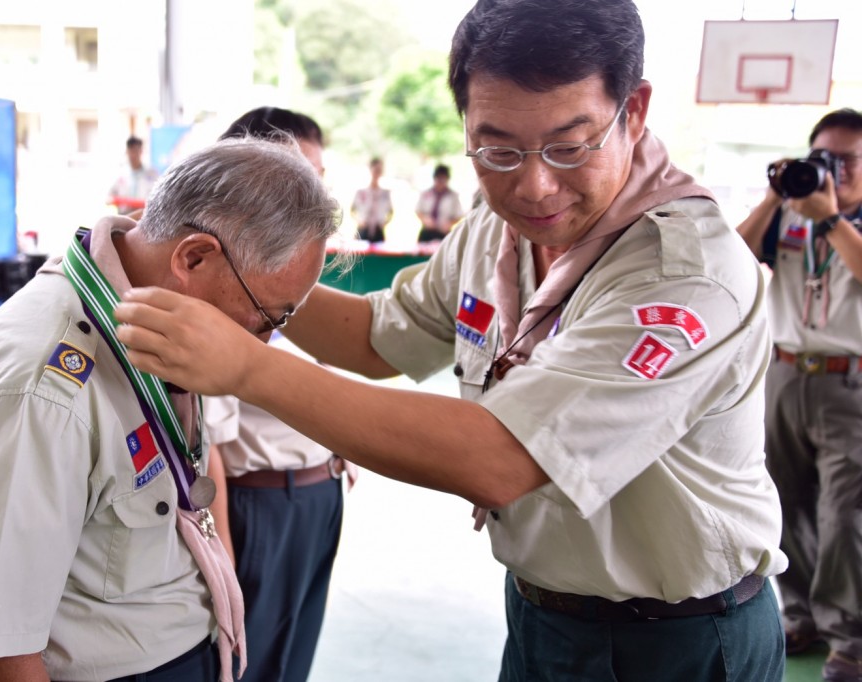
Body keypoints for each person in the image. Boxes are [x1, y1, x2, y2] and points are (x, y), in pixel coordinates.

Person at [114, 0, 788, 679]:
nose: (533, 184)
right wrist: (231, 274)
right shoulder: (497, 235)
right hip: (542, 610)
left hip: (681, 638)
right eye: (496, 149)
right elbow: (377, 339)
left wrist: (246, 365)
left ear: (633, 112)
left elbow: (499, 459)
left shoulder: (685, 273)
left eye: (569, 145)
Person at [0, 135, 341, 682]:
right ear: (193, 257)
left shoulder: (159, 318)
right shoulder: (42, 387)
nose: (263, 342)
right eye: (267, 316)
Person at [206, 105, 356, 682]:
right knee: (246, 657)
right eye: (295, 178)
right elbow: (210, 446)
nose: (311, 197)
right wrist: (222, 562)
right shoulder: (227, 282)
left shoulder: (300, 270)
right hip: (257, 504)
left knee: (294, 654)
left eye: (316, 179)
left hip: (319, 491)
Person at [736, 107, 862, 682]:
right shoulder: (789, 214)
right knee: (783, 502)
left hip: (850, 379)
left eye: (846, 161)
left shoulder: (838, 221)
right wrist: (772, 197)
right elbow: (733, 258)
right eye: (822, 159)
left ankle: (850, 639)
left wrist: (832, 219)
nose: (832, 169)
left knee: (843, 516)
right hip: (784, 373)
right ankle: (801, 613)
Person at [108, 135, 160, 211]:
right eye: (131, 151)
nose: (133, 155)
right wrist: (120, 201)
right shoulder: (119, 174)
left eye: (136, 151)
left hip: (144, 217)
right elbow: (108, 198)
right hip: (124, 216)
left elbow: (158, 197)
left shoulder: (152, 173)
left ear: (141, 151)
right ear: (126, 152)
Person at [416, 163, 465, 242]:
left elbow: (459, 214)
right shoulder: (426, 193)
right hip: (427, 231)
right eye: (438, 179)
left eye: (443, 179)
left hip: (443, 232)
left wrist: (449, 223)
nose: (440, 182)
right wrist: (425, 219)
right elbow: (418, 210)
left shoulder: (453, 196)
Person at [350, 157, 393, 243]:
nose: (377, 173)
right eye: (375, 169)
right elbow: (352, 210)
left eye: (380, 170)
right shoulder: (361, 192)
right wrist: (359, 221)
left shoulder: (385, 193)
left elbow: (391, 212)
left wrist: (384, 222)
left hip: (378, 230)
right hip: (363, 228)